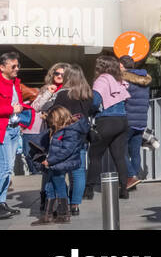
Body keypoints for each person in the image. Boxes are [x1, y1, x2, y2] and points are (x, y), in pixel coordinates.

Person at [31, 107, 88, 225]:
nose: (51, 125)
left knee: (60, 186)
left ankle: (63, 213)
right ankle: (49, 214)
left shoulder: (71, 131)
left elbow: (66, 151)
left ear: (58, 119)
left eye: (52, 122)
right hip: (54, 164)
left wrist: (50, 161)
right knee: (49, 187)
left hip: (59, 164)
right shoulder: (59, 129)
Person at [49, 65, 92, 216]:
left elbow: (53, 113)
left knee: (58, 172)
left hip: (64, 137)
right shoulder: (87, 95)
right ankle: (75, 205)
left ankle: (63, 203)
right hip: (81, 136)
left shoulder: (62, 95)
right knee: (79, 172)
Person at [0, 51, 38, 220]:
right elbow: (9, 107)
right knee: (5, 168)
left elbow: (19, 103)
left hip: (14, 129)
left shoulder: (16, 83)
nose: (17, 69)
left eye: (18, 66)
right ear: (2, 67)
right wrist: (11, 110)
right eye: (13, 66)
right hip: (4, 130)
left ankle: (2, 203)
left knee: (7, 169)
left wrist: (22, 112)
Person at [86, 55, 131, 199]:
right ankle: (124, 189)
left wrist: (89, 110)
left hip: (107, 121)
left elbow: (95, 102)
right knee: (119, 157)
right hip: (122, 120)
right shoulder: (119, 80)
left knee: (95, 155)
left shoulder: (102, 80)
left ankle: (89, 190)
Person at [120, 54, 151, 190]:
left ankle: (131, 176)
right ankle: (134, 179)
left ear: (122, 66)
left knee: (120, 150)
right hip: (141, 121)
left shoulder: (124, 80)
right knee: (135, 152)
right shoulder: (145, 79)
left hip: (128, 119)